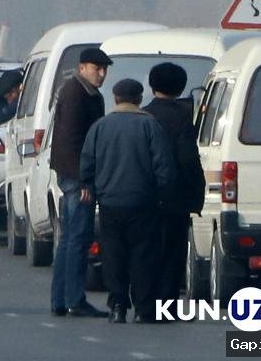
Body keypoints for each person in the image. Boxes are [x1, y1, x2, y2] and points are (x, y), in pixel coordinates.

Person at [80, 78, 174, 324]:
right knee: (143, 256)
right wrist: (162, 194)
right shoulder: (150, 126)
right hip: (144, 203)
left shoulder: (100, 127)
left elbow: (87, 164)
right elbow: (164, 166)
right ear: (140, 99)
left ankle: (117, 305)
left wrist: (91, 187)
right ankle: (143, 309)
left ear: (115, 98)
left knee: (113, 256)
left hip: (110, 203)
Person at [49, 47, 112, 318]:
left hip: (75, 175)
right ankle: (73, 298)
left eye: (104, 69)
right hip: (77, 178)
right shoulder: (76, 93)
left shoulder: (86, 93)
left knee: (70, 239)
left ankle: (61, 299)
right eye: (96, 68)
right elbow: (72, 141)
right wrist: (84, 180)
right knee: (78, 237)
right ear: (82, 67)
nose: (102, 74)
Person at [142, 62, 205, 305]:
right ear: (181, 87)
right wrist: (196, 192)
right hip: (175, 197)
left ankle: (145, 301)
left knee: (147, 250)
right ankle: (166, 304)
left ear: (152, 85)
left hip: (146, 195)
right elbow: (188, 157)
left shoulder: (144, 114)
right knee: (173, 253)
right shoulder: (182, 116)